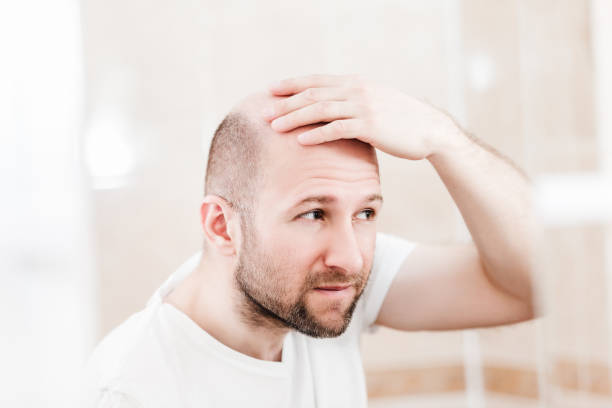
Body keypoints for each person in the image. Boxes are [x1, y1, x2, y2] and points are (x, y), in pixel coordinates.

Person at [82, 74, 535, 407]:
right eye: (313, 213)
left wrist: (444, 139)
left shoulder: (328, 284)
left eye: (365, 213)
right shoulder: (132, 390)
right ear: (222, 227)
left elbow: (534, 284)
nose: (351, 256)